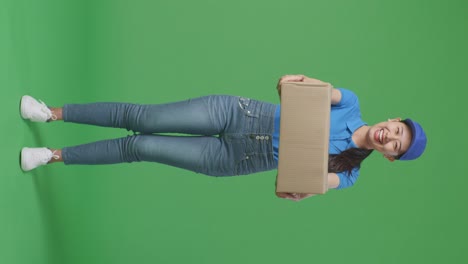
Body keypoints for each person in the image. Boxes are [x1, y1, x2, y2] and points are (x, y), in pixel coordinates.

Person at [20, 75, 427, 201]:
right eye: (397, 130)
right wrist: (293, 81)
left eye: (397, 145)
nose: (391, 137)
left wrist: (304, 189)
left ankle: (51, 155)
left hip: (233, 158)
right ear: (392, 120)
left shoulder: (351, 173)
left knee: (139, 146)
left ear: (390, 157)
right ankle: (51, 112)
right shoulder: (351, 103)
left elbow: (309, 184)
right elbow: (311, 89)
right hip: (237, 112)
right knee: (141, 117)